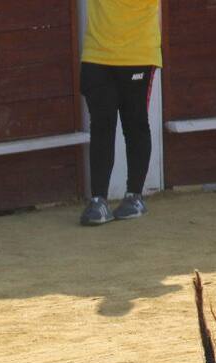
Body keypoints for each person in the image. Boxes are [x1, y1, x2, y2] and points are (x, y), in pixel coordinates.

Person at [78, 0, 161, 226]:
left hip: (137, 52)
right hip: (98, 54)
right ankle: (98, 199)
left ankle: (134, 195)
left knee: (134, 124)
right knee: (102, 126)